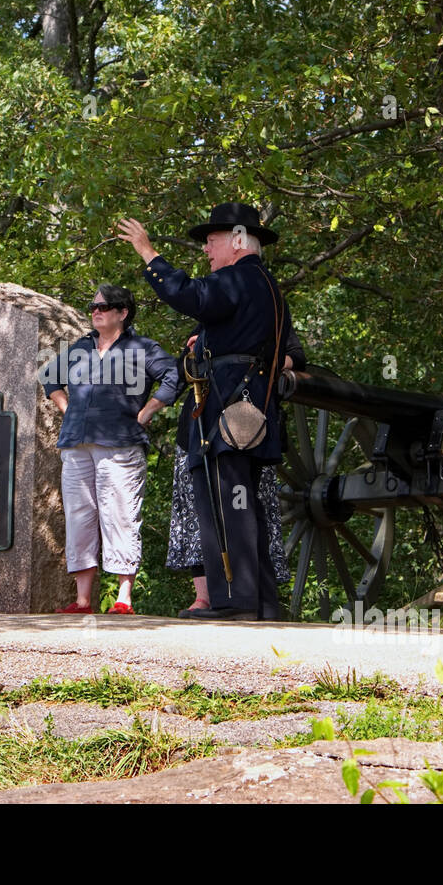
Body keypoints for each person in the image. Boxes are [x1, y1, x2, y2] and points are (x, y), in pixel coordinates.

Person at [118, 202, 289, 621]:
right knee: (245, 503)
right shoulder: (268, 285)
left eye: (211, 242)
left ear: (236, 241)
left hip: (225, 406)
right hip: (253, 408)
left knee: (223, 502)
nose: (206, 252)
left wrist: (148, 253)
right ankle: (262, 601)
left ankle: (234, 601)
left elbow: (190, 296)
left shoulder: (237, 278)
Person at [39, 284, 180, 614]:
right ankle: (83, 600)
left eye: (104, 306)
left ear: (122, 313)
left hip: (120, 443)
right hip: (76, 444)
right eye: (93, 306)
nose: (96, 311)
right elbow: (49, 376)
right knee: (79, 517)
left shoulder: (141, 347)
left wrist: (148, 411)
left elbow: (174, 375)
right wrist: (67, 409)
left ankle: (123, 598)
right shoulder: (80, 348)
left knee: (120, 515)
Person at [167, 328, 306, 614]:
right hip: (199, 431)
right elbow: (182, 375)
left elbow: (296, 357)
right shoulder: (206, 324)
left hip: (246, 429)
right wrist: (190, 352)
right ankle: (206, 597)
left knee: (245, 513)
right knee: (199, 518)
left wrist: (259, 363)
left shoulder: (267, 320)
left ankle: (247, 599)